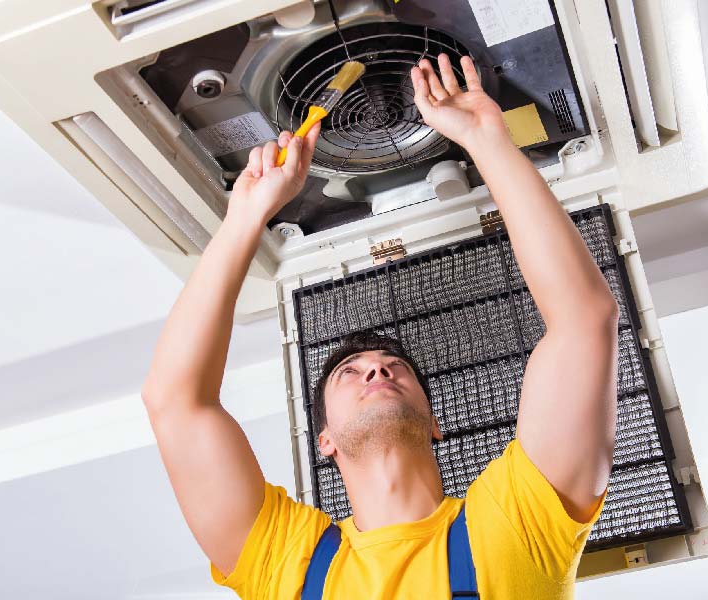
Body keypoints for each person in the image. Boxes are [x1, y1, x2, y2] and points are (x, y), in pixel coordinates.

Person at [142, 54, 618, 599]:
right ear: (325, 441)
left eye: (393, 368)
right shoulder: (286, 555)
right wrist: (246, 214)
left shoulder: (516, 525)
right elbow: (174, 401)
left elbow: (585, 321)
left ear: (436, 423)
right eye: (352, 371)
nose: (377, 370)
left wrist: (486, 140)